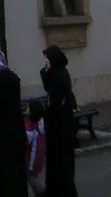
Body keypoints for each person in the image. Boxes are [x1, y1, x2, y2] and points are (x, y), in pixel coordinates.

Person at [0, 49, 28, 197]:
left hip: (4, 134)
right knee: (18, 173)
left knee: (6, 173)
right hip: (18, 131)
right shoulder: (13, 77)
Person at [40, 44, 78, 197]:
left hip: (59, 130)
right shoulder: (59, 73)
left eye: (47, 58)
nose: (45, 62)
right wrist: (45, 71)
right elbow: (47, 88)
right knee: (60, 165)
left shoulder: (58, 75)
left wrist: (46, 117)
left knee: (61, 165)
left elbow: (55, 103)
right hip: (61, 128)